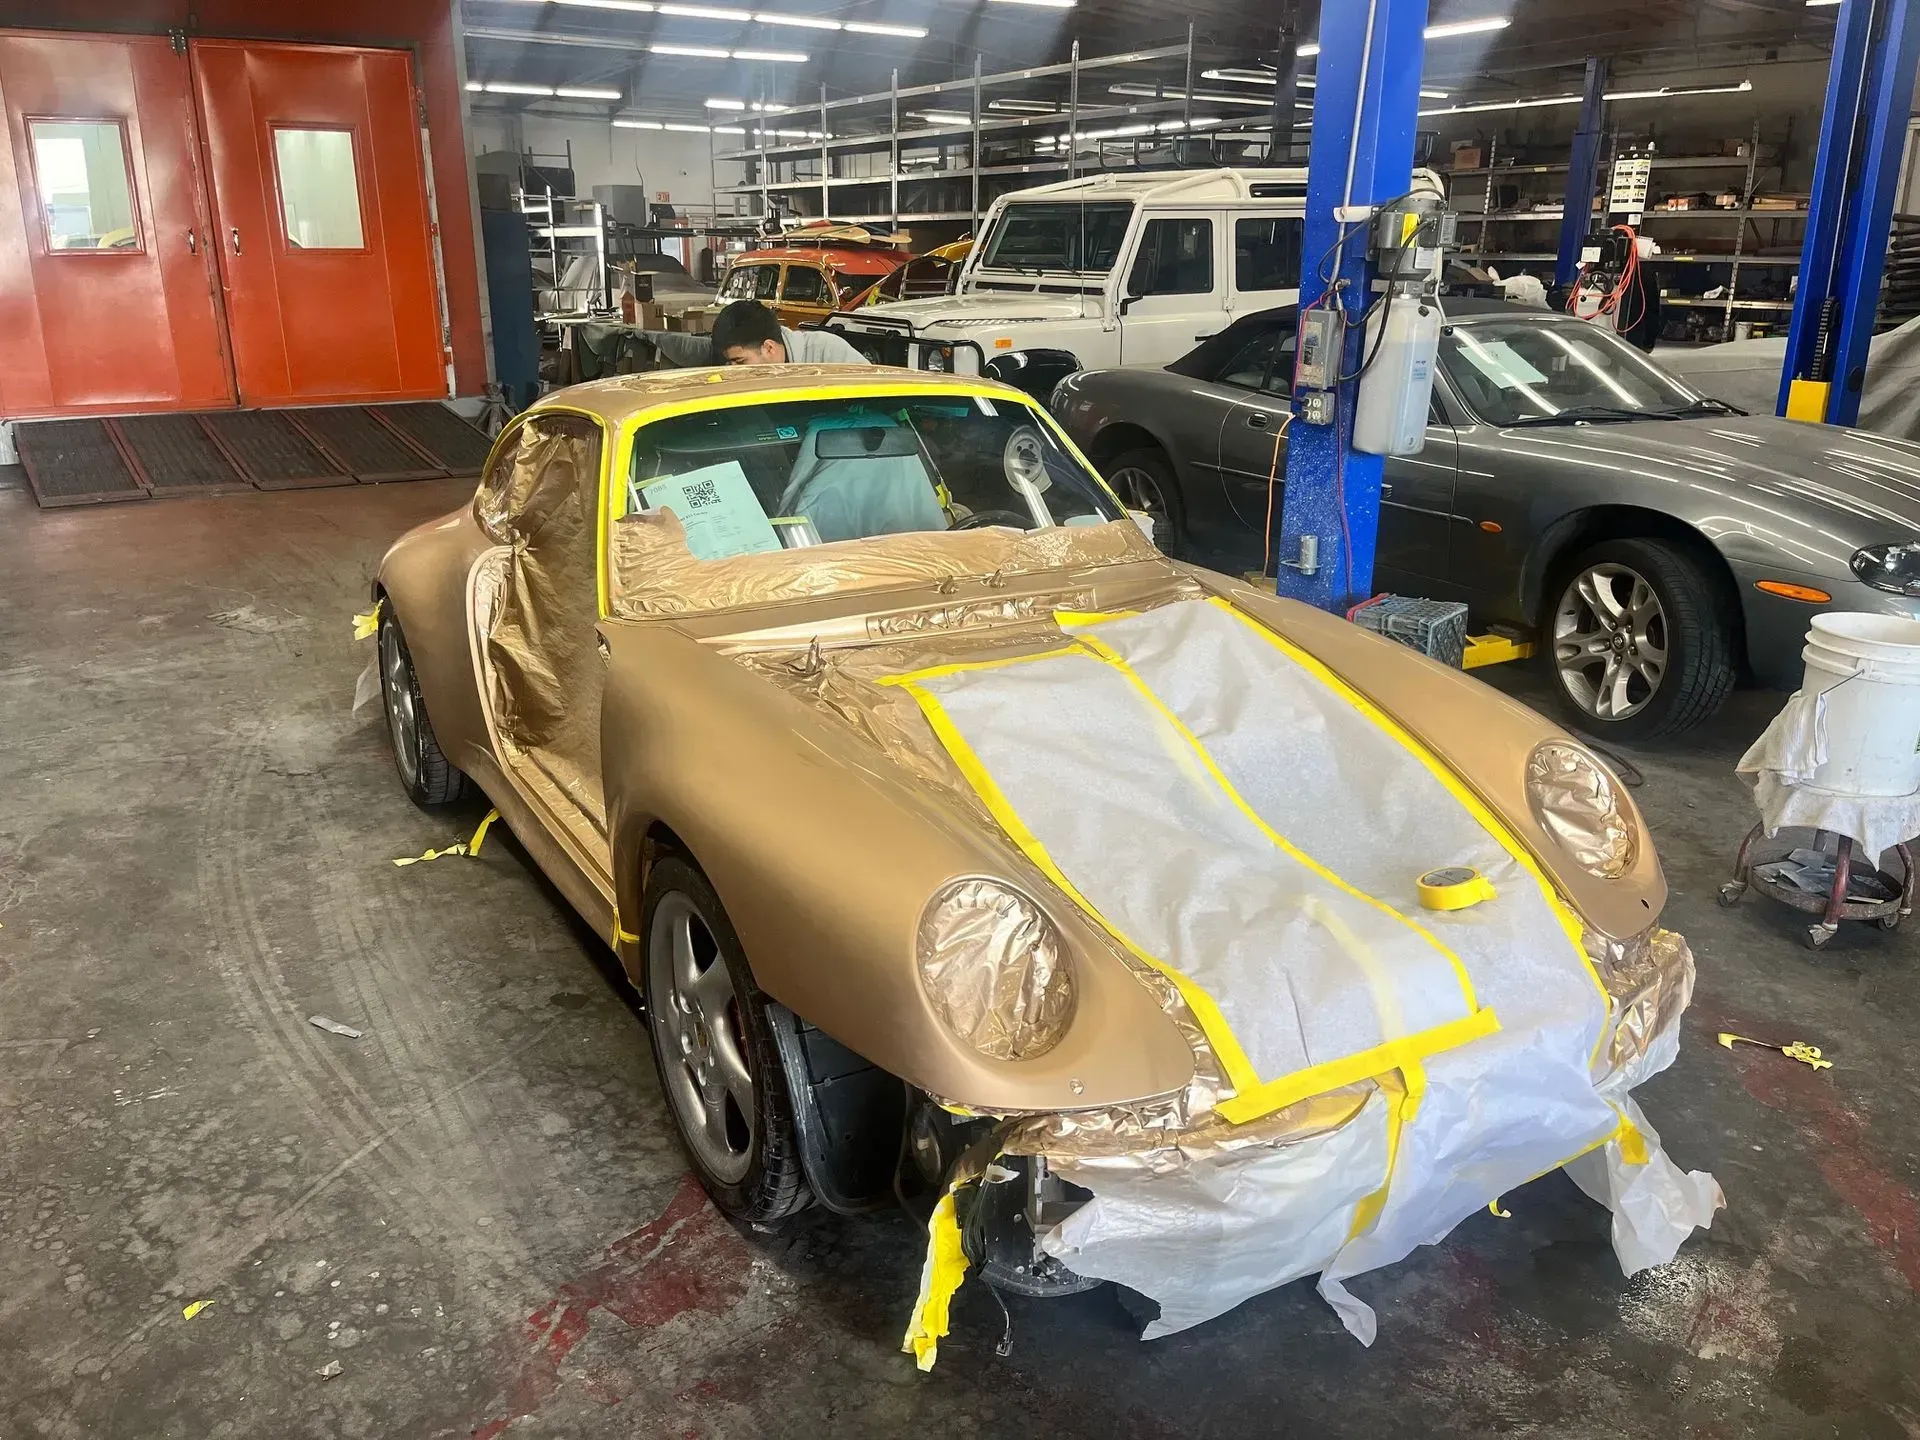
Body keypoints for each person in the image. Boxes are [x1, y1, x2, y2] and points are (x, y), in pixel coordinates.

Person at [712, 299, 871, 366]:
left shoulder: (829, 353)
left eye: (740, 362)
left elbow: (876, 400)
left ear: (769, 348)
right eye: (729, 363)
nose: (733, 371)